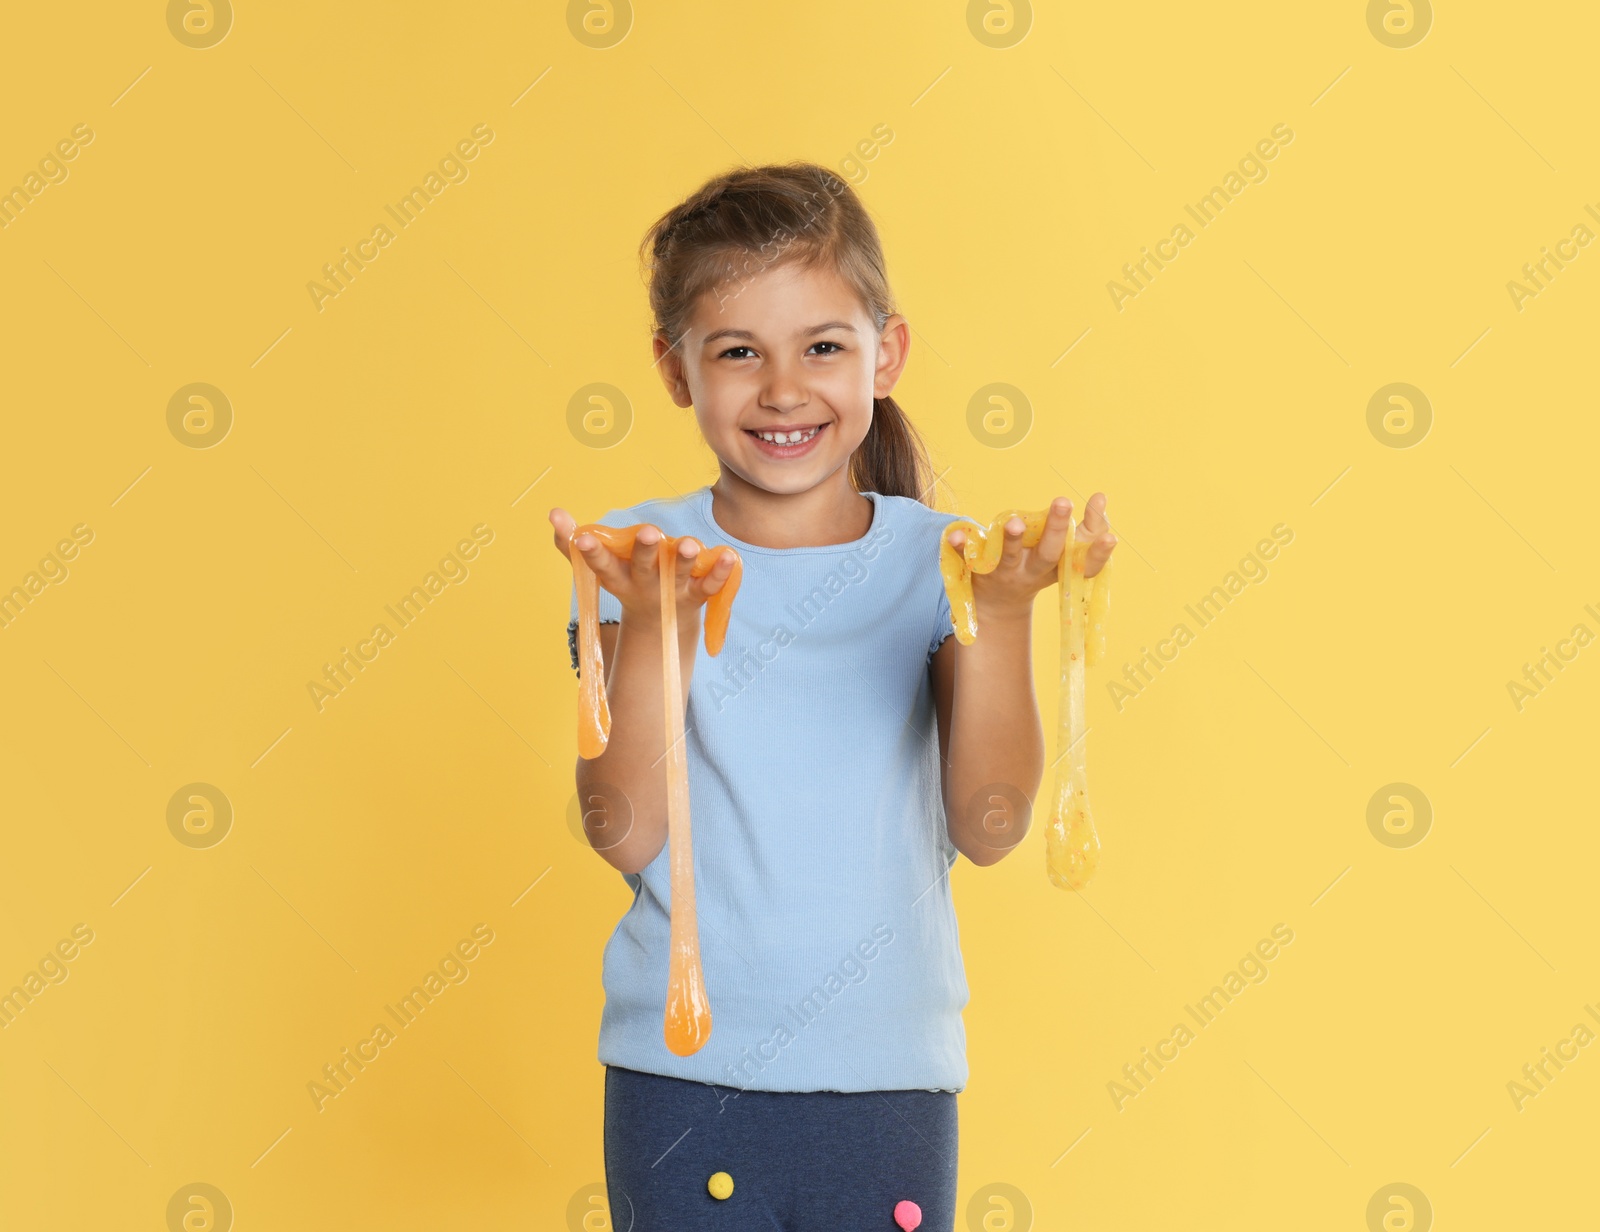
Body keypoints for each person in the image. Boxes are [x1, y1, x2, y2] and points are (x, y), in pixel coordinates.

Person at [549, 161, 1116, 1231]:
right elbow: (621, 830)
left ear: (884, 353)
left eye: (821, 345)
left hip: (886, 1077)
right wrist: (657, 638)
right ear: (676, 369)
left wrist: (998, 619)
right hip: (682, 1076)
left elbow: (989, 825)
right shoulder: (638, 560)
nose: (781, 387)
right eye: (736, 351)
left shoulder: (942, 564)